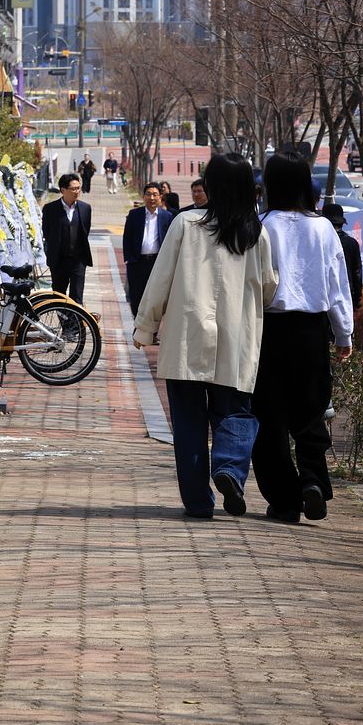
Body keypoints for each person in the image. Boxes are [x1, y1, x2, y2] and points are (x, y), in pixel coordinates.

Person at [133, 154, 278, 519]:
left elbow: (161, 278)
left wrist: (146, 327)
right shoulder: (255, 233)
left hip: (187, 337)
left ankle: (198, 502)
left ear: (210, 185)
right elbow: (269, 288)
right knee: (236, 415)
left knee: (188, 424)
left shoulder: (187, 222)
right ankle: (229, 468)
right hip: (236, 339)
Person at [252, 155, 353, 523]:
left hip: (268, 330)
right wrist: (344, 333)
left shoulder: (261, 225)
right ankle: (312, 479)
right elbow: (337, 284)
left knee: (268, 419)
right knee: (311, 413)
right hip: (312, 330)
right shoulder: (323, 228)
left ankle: (284, 500)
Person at [122, 183, 175, 316]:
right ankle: (138, 326)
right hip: (137, 263)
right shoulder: (134, 215)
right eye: (148, 194)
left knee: (155, 298)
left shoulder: (167, 217)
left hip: (157, 263)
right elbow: (127, 237)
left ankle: (152, 332)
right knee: (136, 297)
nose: (152, 198)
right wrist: (129, 259)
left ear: (160, 197)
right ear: (144, 196)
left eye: (155, 194)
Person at [41, 173, 93, 303]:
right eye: (73, 189)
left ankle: (76, 323)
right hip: (59, 260)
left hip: (78, 260)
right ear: (63, 190)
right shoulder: (50, 209)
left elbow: (85, 231)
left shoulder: (85, 208)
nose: (77, 192)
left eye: (78, 188)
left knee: (76, 297)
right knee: (59, 296)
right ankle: (66, 323)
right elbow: (47, 233)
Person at [322, 203, 363, 312]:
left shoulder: (319, 241)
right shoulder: (351, 242)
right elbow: (357, 272)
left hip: (323, 294)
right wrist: (358, 298)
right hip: (346, 294)